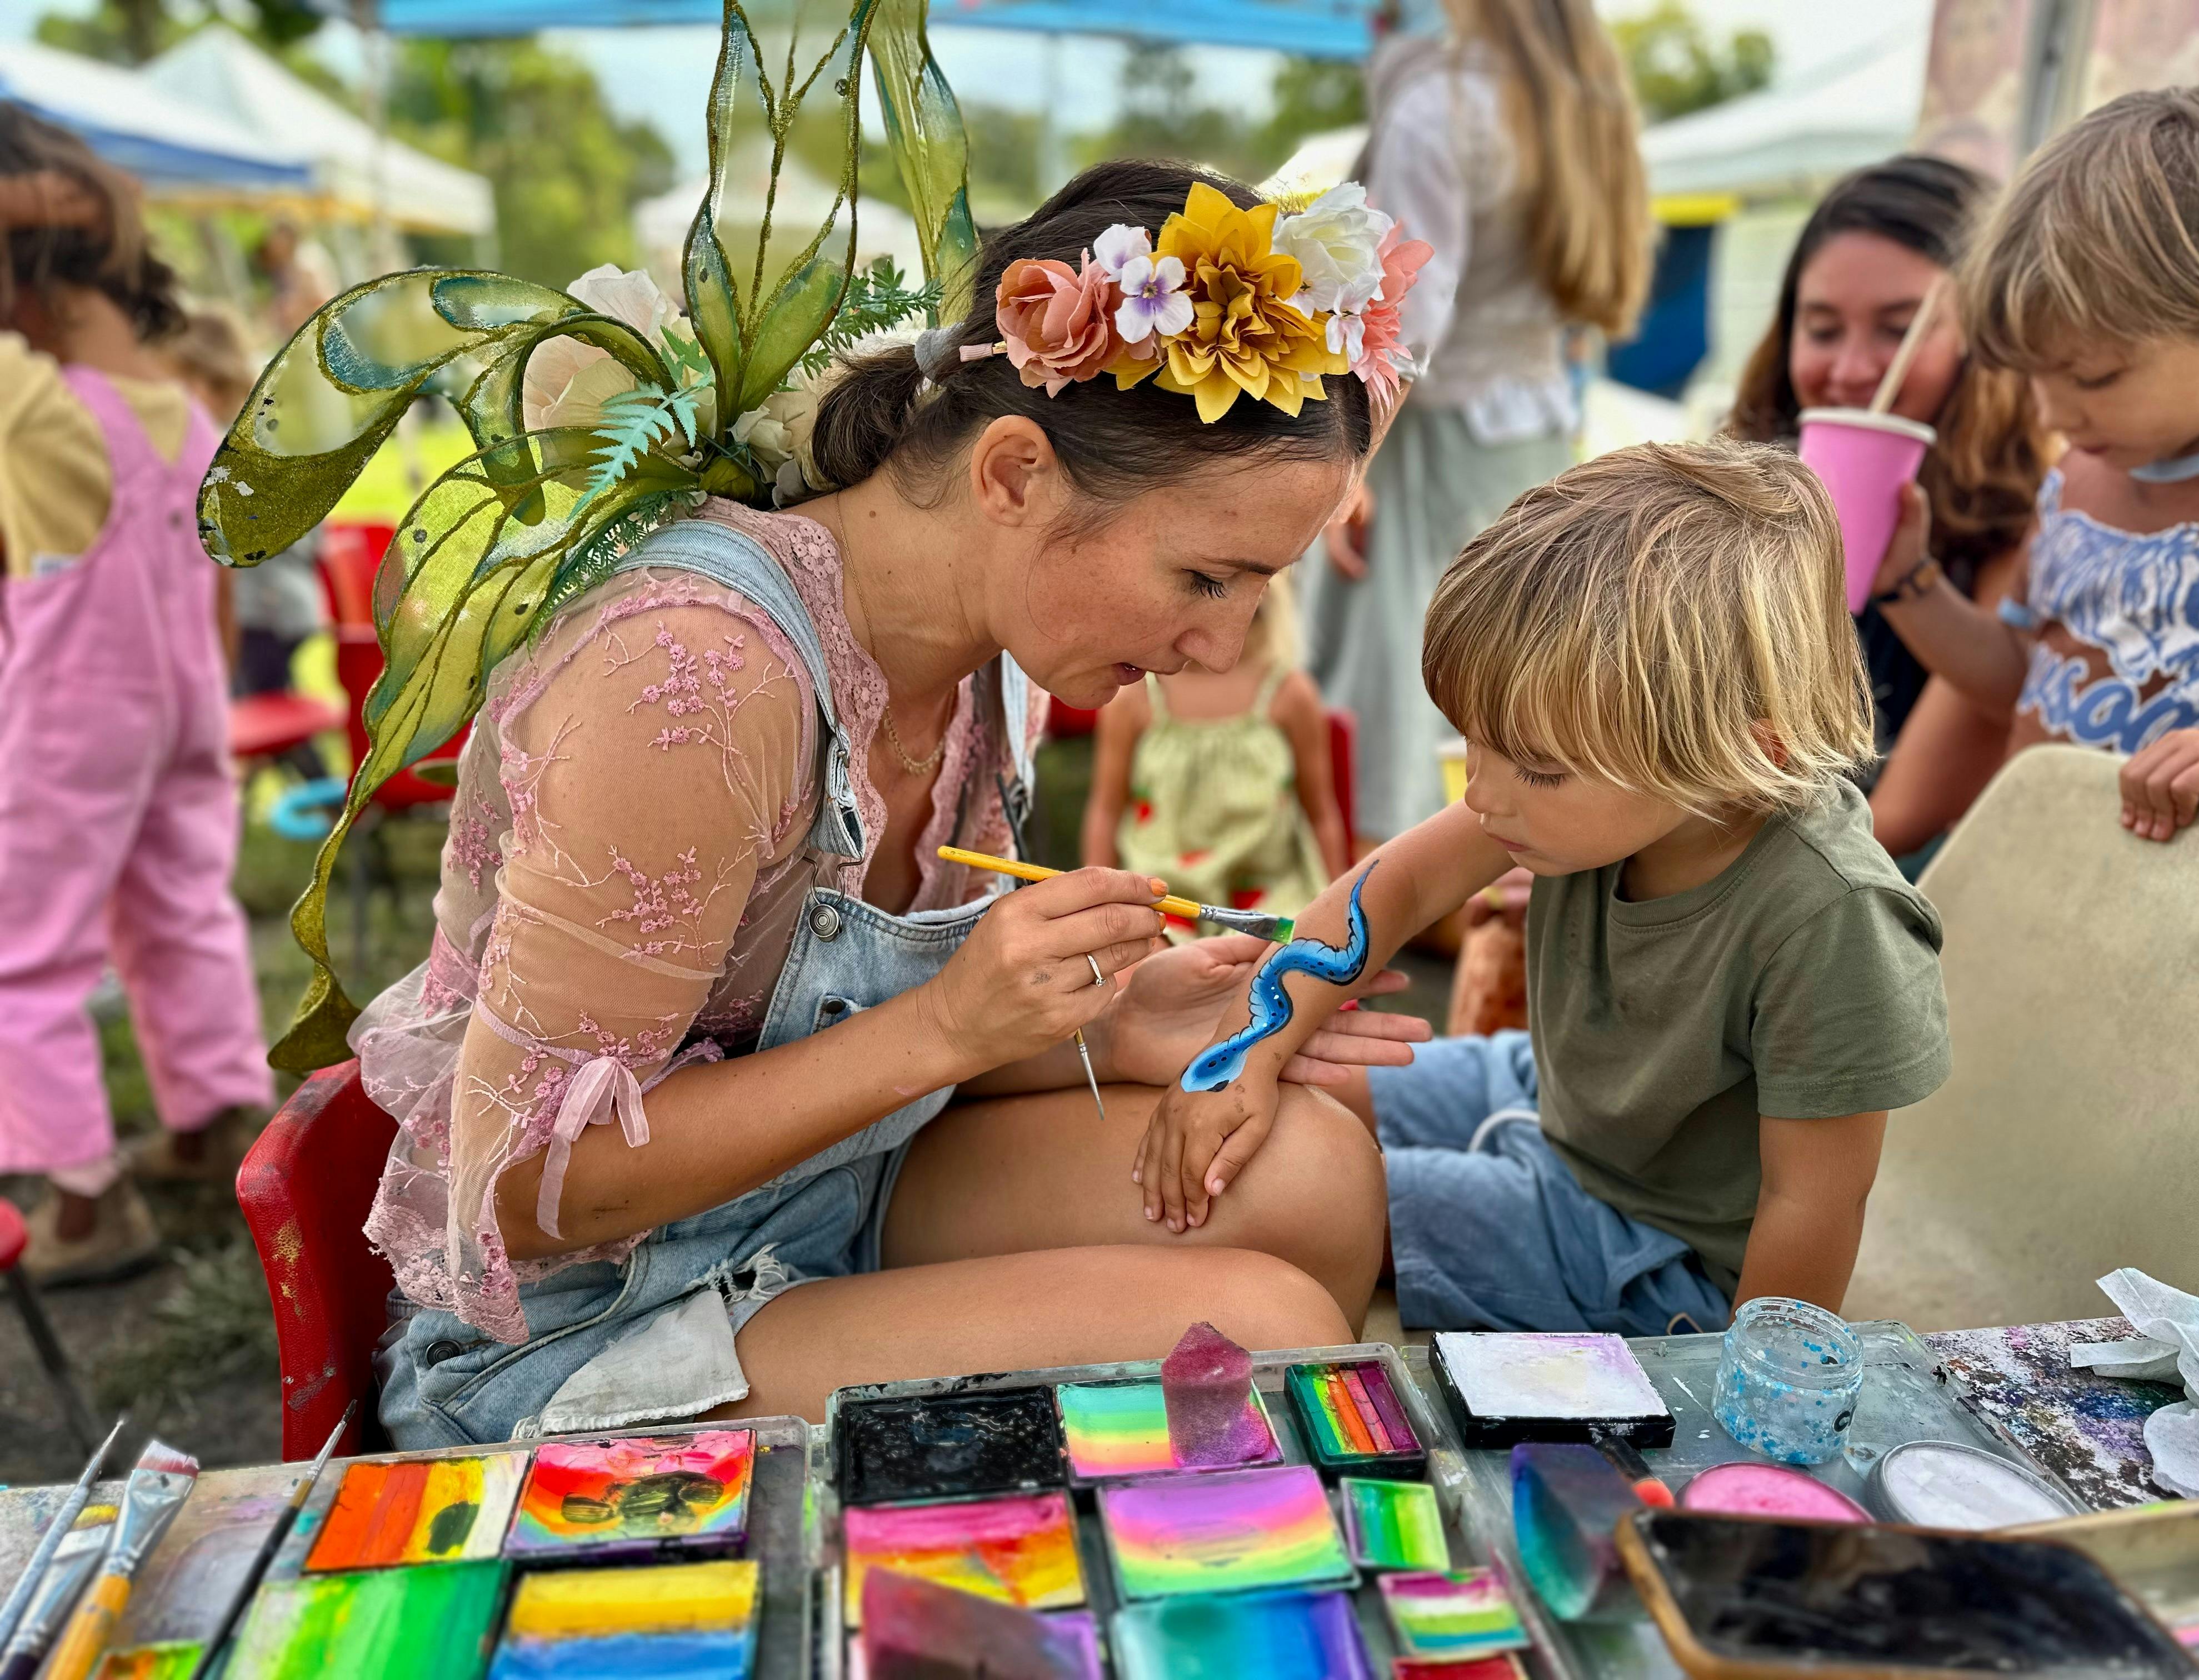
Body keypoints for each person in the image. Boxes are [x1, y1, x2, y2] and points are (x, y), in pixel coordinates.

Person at [344, 160, 1435, 1447]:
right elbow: (527, 1189)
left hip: (821, 1194)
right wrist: (951, 1025)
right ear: (1015, 473)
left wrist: (1111, 1025)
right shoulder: (694, 675)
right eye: (1206, 576)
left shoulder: (991, 657)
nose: (1228, 646)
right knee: (1261, 1343)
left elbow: (816, 1034)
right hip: (594, 1316)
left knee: (1315, 1175)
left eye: (1259, 588)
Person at [1136, 442, 1952, 1336]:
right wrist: (1246, 1055)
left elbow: (1814, 1203)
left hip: (1651, 1252)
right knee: (1273, 1085)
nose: (1481, 795)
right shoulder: (1622, 784)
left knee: (1291, 1191)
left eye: (1534, 768)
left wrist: (1741, 1401)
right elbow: (1395, 888)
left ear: (1745, 753)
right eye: (1474, 745)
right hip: (1546, 1093)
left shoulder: (1831, 919)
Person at [0, 110, 273, 1282]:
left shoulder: (31, 398)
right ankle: (217, 1129)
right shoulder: (180, 401)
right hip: (181, 708)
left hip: (76, 714)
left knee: (23, 946)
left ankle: (80, 1197)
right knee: (180, 909)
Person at [1299, 0, 1652, 847]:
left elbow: (1411, 309)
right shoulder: (1579, 101)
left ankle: (1392, 903)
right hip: (1529, 431)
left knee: (1401, 687)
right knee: (1510, 670)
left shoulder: (1443, 103)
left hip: (1425, 435)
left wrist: (1350, 457)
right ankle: (1498, 878)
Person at [1867, 81, 2199, 843]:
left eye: (2095, 378)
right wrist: (1908, 583)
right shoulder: (2077, 477)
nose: (2052, 415)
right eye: (2033, 377)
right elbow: (2022, 680)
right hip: (2047, 889)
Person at [1729, 156, 2052, 863]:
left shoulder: (2031, 523)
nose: (1850, 369)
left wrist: (1901, 578)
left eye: (1897, 329)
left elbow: (1899, 816)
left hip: (1876, 883)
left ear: (1981, 339)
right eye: (1821, 330)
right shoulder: (1739, 478)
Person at [1082, 572, 1347, 928]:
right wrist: (1098, 905)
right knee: (1145, 972)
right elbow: (1106, 811)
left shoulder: (1289, 692)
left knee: (1275, 971)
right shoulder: (1136, 697)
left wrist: (1340, 913)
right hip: (1159, 898)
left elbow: (1321, 814)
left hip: (1273, 898)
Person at [162, 305, 327, 704]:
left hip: (258, 610)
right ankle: (308, 766)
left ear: (202, 381)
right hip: (294, 603)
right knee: (274, 710)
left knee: (246, 713)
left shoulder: (216, 447)